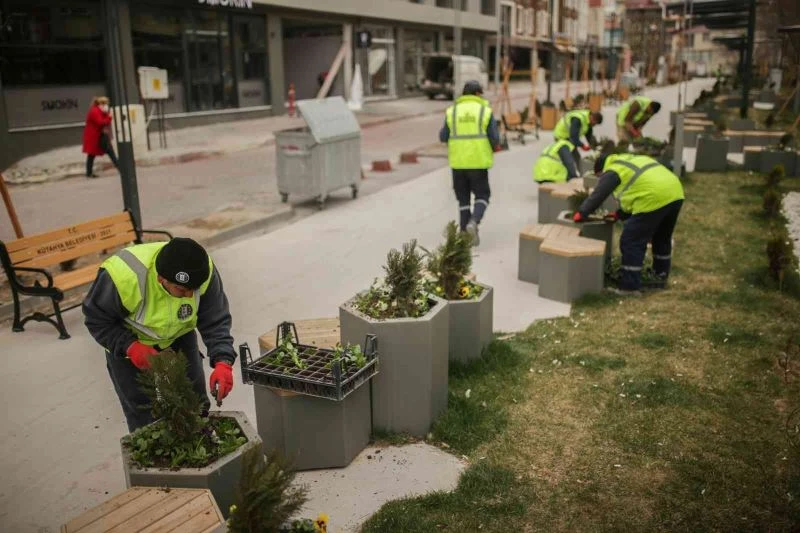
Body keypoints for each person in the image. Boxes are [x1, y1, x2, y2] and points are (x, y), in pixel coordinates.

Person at [83, 237, 236, 432]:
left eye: (193, 289)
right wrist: (130, 346)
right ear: (161, 278)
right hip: (132, 344)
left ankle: (198, 438)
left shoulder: (202, 269)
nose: (190, 296)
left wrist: (223, 361)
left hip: (179, 335)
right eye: (182, 289)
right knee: (144, 413)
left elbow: (215, 319)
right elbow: (96, 319)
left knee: (194, 402)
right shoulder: (122, 276)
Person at [573, 152, 684, 294]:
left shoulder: (612, 170)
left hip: (653, 197)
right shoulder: (629, 160)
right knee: (662, 237)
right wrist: (619, 214)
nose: (600, 179)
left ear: (601, 171)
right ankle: (660, 276)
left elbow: (599, 193)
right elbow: (638, 187)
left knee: (631, 240)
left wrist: (582, 212)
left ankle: (629, 287)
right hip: (675, 192)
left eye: (599, 177)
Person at [439, 80, 501, 246]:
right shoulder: (484, 111)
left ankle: (464, 235)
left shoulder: (452, 111)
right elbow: (495, 138)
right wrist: (495, 146)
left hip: (458, 163)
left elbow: (443, 136)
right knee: (483, 195)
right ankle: (474, 222)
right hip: (478, 162)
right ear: (478, 93)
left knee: (463, 200)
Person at [82, 96, 119, 178]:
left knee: (95, 154)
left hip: (99, 136)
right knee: (95, 154)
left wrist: (106, 114)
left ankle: (89, 173)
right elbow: (100, 122)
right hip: (95, 136)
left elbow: (103, 120)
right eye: (106, 104)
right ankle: (120, 168)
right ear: (101, 104)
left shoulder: (99, 110)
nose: (107, 106)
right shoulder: (95, 111)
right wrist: (109, 117)